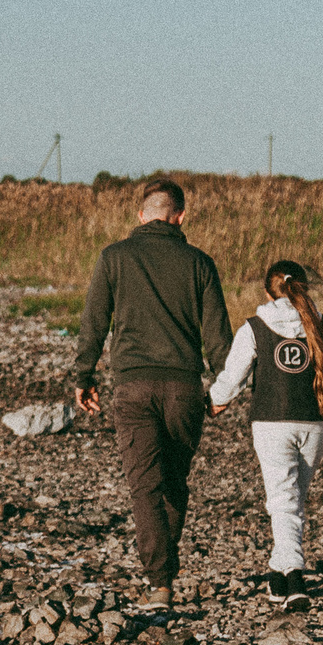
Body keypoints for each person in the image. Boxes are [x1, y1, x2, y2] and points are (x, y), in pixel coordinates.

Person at [72, 178, 231, 610]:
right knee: (174, 480)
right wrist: (225, 386)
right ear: (181, 216)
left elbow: (94, 322)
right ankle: (165, 566)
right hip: (184, 387)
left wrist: (83, 376)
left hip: (132, 385)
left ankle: (160, 581)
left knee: (144, 485)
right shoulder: (200, 263)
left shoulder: (114, 258)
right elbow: (218, 336)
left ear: (141, 216)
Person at [209, 259, 323, 608]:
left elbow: (234, 375)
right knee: (291, 502)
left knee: (284, 501)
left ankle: (293, 573)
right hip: (314, 424)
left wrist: (215, 401)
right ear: (303, 289)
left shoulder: (255, 327)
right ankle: (278, 575)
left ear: (266, 292)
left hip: (271, 422)